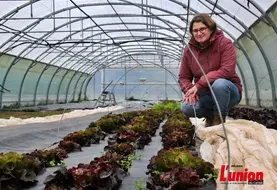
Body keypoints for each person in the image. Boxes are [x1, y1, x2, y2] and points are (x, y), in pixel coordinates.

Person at [178, 13, 242, 127]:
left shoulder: (224, 43)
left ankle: (219, 120)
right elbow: (183, 77)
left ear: (211, 29)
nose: (198, 33)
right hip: (205, 94)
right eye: (195, 30)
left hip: (228, 92)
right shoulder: (189, 50)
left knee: (219, 84)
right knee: (186, 107)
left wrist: (200, 84)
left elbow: (227, 70)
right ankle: (210, 116)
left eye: (202, 29)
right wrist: (190, 90)